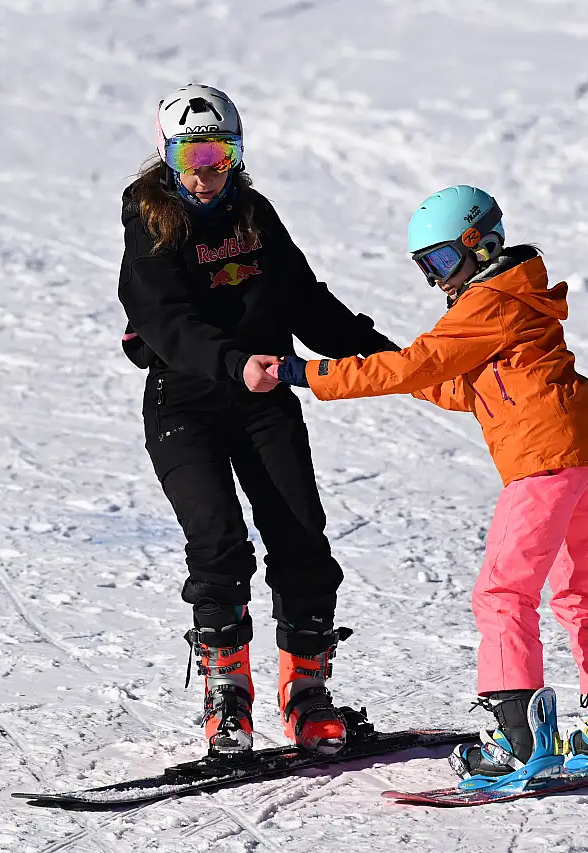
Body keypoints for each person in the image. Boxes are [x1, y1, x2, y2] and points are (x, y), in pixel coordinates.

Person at [265, 185, 588, 790]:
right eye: (427, 268)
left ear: (483, 243)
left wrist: (308, 372)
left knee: (503, 593)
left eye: (444, 262)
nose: (437, 280)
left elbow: (419, 364)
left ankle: (517, 738)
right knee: (579, 590)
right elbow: (456, 386)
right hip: (585, 451)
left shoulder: (488, 303)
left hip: (543, 459)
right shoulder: (514, 295)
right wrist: (397, 372)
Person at [117, 84, 398, 757]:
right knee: (217, 544)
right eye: (192, 154)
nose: (206, 171)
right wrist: (234, 360)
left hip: (264, 400)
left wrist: (394, 358)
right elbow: (163, 321)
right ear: (167, 155)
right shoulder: (150, 222)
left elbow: (306, 301)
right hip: (185, 401)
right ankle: (227, 698)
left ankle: (306, 694)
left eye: (220, 153)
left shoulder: (255, 215)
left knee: (301, 540)